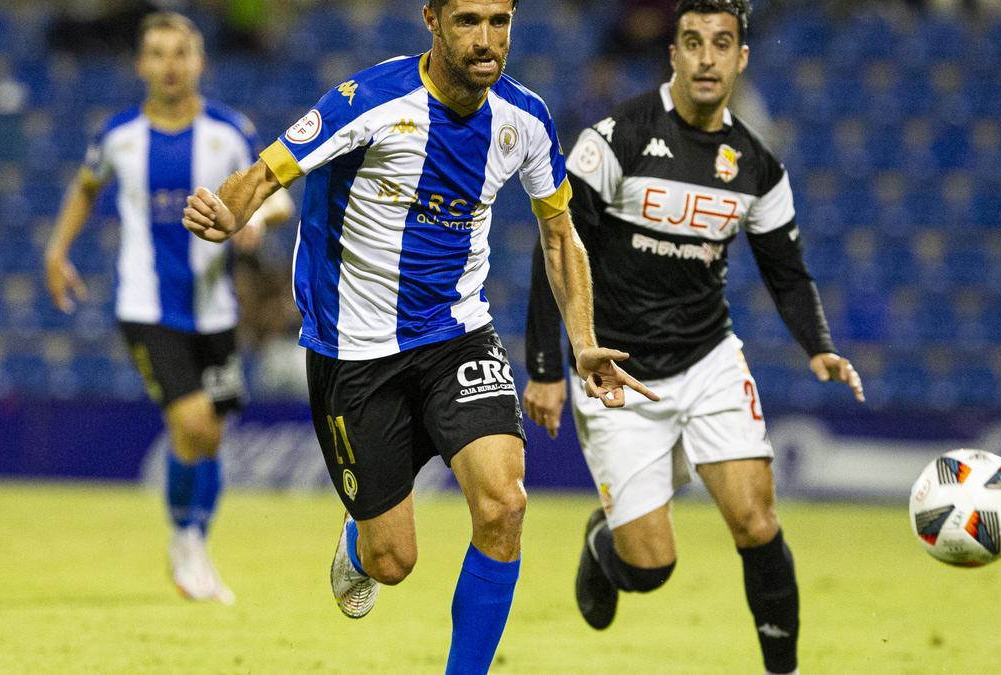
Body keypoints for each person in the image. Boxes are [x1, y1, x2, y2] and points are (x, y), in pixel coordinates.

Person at [180, 0, 656, 671]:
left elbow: (559, 234)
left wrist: (582, 342)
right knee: (392, 559)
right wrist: (227, 212)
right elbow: (265, 172)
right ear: (432, 21)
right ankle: (359, 542)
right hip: (353, 348)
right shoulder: (367, 100)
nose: (487, 40)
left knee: (505, 503)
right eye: (468, 21)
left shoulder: (526, 119)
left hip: (456, 334)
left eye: (500, 21)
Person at [522, 2, 864, 674]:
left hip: (709, 360)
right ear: (672, 54)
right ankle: (604, 544)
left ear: (742, 59)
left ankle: (783, 668)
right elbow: (556, 250)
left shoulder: (757, 165)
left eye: (722, 44)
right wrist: (545, 366)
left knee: (756, 520)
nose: (707, 58)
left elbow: (786, 270)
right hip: (617, 369)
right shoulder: (614, 138)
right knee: (650, 568)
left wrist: (817, 343)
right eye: (692, 43)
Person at [43, 12, 294, 603]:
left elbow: (275, 194)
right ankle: (186, 543)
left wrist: (254, 218)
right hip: (146, 308)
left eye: (181, 52)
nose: (170, 64)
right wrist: (58, 251)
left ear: (200, 61)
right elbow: (86, 186)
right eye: (157, 53)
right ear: (140, 64)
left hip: (216, 311)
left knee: (210, 436)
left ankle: (197, 546)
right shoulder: (118, 137)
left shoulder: (229, 132)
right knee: (193, 423)